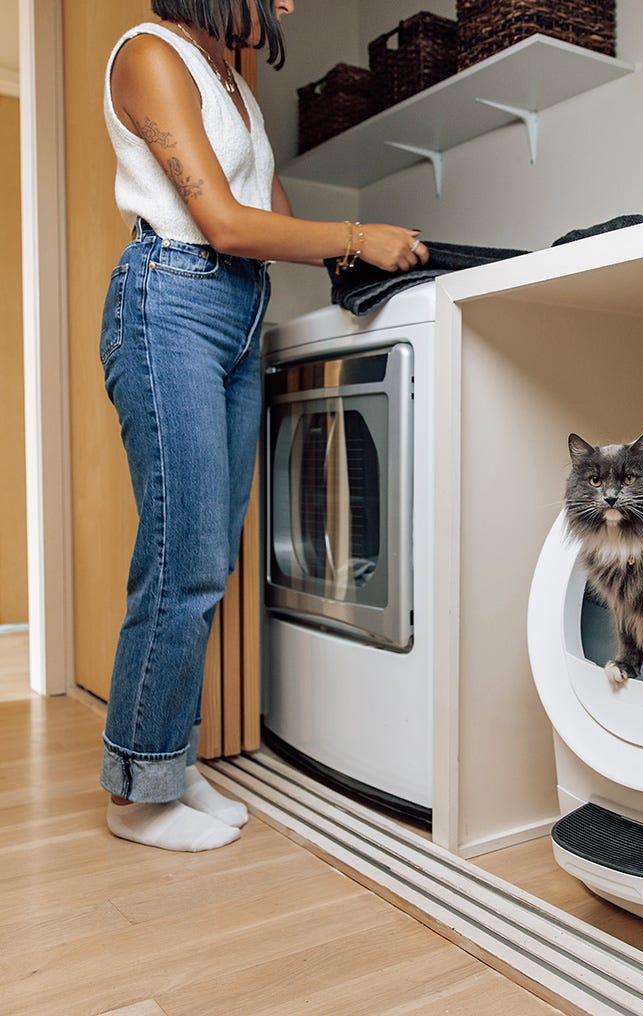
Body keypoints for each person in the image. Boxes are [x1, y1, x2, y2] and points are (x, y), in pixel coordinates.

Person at [99, 0, 428, 852]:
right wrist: (360, 235)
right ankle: (138, 791)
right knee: (182, 557)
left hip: (238, 311)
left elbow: (270, 216)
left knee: (212, 551)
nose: (286, 5)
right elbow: (225, 224)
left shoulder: (231, 83)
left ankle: (170, 759)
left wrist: (358, 268)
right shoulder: (150, 55)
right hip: (169, 300)